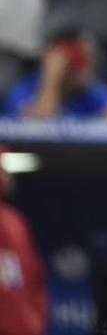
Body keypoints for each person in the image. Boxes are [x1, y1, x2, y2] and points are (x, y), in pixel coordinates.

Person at [3, 34, 107, 123]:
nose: (89, 65)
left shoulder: (92, 92)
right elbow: (38, 128)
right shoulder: (23, 90)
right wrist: (51, 79)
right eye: (81, 59)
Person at [0, 143, 48, 335]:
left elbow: (34, 277)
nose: (7, 176)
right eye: (2, 169)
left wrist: (32, 323)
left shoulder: (14, 220)